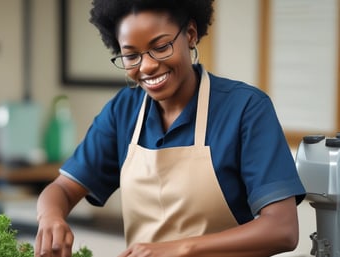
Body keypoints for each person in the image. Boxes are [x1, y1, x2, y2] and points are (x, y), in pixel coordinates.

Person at [34, 0, 306, 256]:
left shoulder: (246, 108)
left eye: (161, 47)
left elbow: (282, 229)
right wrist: (50, 218)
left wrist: (180, 249)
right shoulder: (123, 111)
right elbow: (62, 189)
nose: (148, 66)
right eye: (131, 56)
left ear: (189, 33)